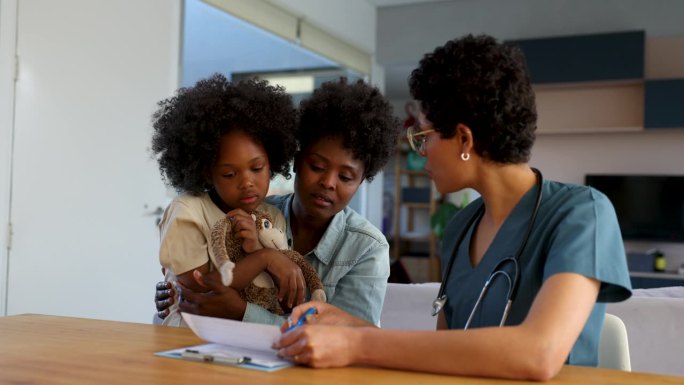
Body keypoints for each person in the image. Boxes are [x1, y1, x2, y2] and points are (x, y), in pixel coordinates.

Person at [273, 34, 632, 381]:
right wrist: (348, 325)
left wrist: (358, 342)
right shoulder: (462, 228)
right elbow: (446, 351)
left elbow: (539, 353)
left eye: (425, 135)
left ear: (464, 139)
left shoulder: (582, 213)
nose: (422, 150)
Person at [154, 77, 401, 327]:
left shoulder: (367, 249)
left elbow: (355, 338)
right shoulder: (257, 212)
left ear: (361, 181)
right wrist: (175, 290)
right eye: (316, 166)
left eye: (346, 177)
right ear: (296, 161)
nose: (328, 183)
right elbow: (200, 290)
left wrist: (241, 311)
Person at [151, 73, 301, 326]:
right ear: (206, 172)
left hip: (245, 342)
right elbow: (202, 289)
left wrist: (258, 251)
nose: (247, 182)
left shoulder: (271, 218)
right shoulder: (188, 212)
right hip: (188, 340)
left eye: (257, 168)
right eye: (230, 174)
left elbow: (283, 294)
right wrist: (265, 258)